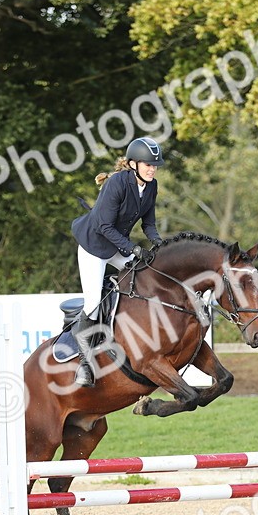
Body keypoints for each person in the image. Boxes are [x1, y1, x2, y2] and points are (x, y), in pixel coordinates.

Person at [69, 136, 166, 387]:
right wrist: (133, 248)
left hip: (116, 244)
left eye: (154, 165)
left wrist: (157, 241)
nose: (152, 169)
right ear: (133, 164)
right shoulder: (117, 183)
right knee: (92, 303)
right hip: (94, 245)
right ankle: (84, 363)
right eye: (148, 164)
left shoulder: (151, 186)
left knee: (144, 277)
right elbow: (103, 226)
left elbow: (149, 223)